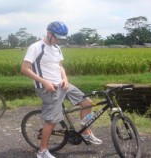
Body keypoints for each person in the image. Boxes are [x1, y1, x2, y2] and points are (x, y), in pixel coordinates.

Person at [21, 21, 102, 158]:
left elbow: (60, 66)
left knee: (87, 103)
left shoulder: (57, 48)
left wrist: (65, 78)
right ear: (49, 33)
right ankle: (42, 151)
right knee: (52, 120)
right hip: (48, 88)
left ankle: (85, 132)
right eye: (57, 37)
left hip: (62, 83)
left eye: (61, 38)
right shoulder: (36, 47)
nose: (58, 40)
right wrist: (44, 82)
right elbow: (24, 69)